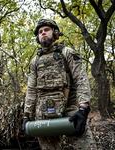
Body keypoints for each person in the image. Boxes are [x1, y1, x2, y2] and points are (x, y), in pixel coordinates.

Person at [22, 19, 97, 150]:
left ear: (55, 33)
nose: (43, 33)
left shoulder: (67, 53)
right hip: (43, 114)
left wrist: (83, 109)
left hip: (70, 110)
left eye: (46, 30)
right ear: (37, 38)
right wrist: (26, 116)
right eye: (40, 32)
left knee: (87, 146)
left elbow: (81, 80)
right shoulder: (35, 62)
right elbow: (31, 90)